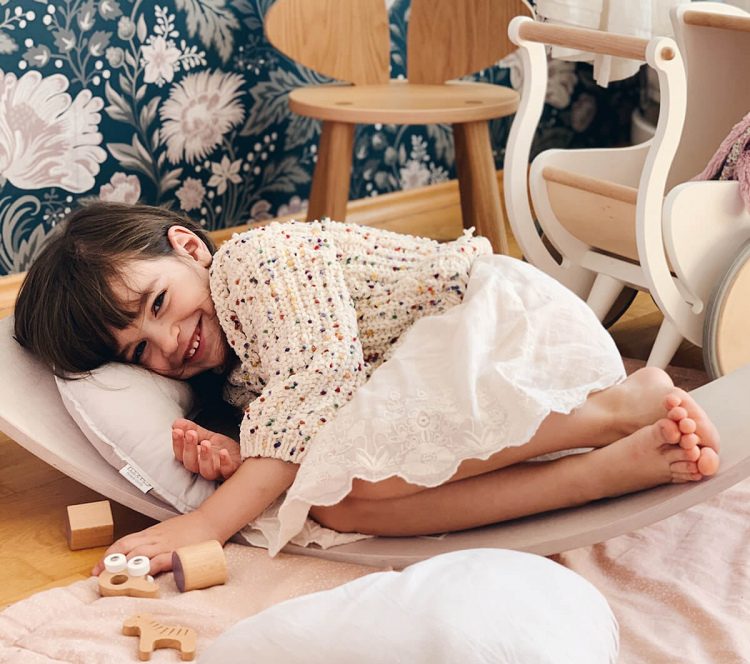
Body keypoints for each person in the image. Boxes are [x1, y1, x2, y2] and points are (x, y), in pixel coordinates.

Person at [13, 202, 720, 574]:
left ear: (190, 249)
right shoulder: (232, 378)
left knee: (349, 482)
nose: (168, 343)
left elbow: (317, 384)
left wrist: (206, 524)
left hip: (495, 327)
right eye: (139, 351)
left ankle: (609, 412)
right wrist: (235, 454)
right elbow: (305, 428)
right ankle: (605, 470)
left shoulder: (255, 264)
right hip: (451, 376)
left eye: (159, 304)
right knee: (335, 504)